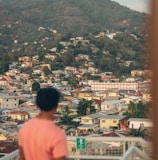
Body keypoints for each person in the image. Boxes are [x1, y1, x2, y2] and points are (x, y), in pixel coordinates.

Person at [18, 87, 68, 160]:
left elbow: (22, 157)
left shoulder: (25, 128)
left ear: (37, 104)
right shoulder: (57, 134)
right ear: (56, 106)